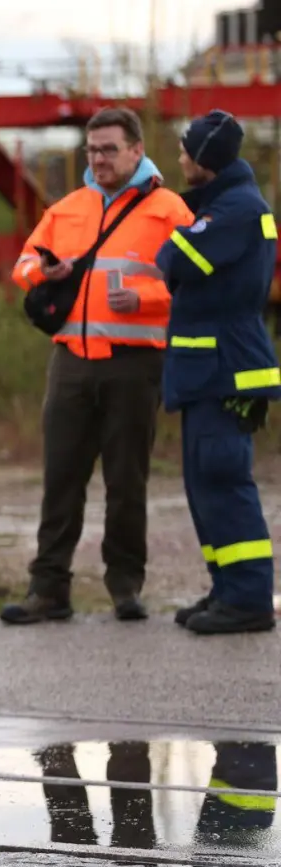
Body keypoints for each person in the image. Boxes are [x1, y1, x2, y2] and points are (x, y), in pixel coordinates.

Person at [4, 107, 195, 625]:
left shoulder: (169, 211)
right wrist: (40, 272)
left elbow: (197, 288)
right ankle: (48, 589)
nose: (100, 159)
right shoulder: (67, 209)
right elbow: (21, 265)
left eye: (110, 149)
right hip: (70, 364)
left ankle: (125, 587)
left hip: (135, 365)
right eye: (92, 150)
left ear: (136, 150)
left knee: (125, 482)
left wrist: (148, 300)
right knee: (60, 478)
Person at [159, 110, 281, 635]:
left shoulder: (235, 210)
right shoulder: (224, 204)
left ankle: (250, 598)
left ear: (206, 159)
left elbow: (177, 259)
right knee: (203, 484)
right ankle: (227, 588)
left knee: (223, 481)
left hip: (224, 368)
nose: (181, 157)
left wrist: (183, 228)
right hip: (207, 370)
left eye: (187, 151)